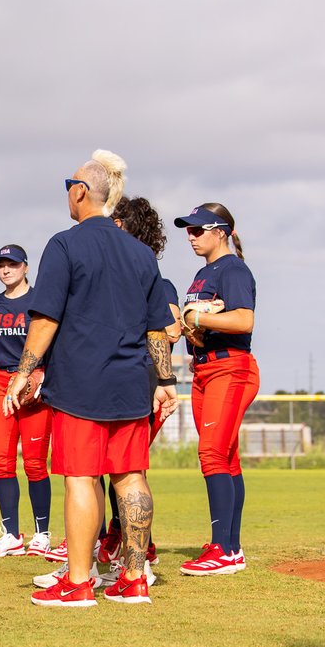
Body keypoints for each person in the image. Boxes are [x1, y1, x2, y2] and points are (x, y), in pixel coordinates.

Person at [5, 150, 177, 607]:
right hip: (131, 383)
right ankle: (135, 579)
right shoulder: (142, 254)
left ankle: (79, 582)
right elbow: (157, 327)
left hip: (83, 383)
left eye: (69, 185)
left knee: (81, 478)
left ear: (80, 192)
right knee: (130, 477)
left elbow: (44, 321)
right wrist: (166, 380)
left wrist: (21, 374)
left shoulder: (65, 244)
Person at [92, 196, 181, 585]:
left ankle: (138, 555)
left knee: (124, 469)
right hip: (120, 376)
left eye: (116, 221)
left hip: (139, 378)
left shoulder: (156, 280)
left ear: (127, 227)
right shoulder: (119, 277)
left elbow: (171, 325)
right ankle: (117, 548)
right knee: (109, 469)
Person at [174, 203, 259, 576]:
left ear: (220, 231)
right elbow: (200, 324)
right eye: (188, 231)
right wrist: (192, 325)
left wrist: (199, 317)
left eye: (197, 230)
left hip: (231, 367)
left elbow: (243, 319)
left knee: (210, 454)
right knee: (225, 459)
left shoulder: (234, 269)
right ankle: (231, 547)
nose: (190, 237)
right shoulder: (201, 274)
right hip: (205, 369)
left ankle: (222, 549)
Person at [0, 245, 55, 559]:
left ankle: (42, 534)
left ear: (25, 268)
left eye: (13, 265)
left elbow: (51, 346)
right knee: (1, 462)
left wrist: (42, 379)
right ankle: (10, 534)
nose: (6, 270)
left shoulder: (39, 300)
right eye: (1, 266)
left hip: (33, 382)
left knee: (34, 462)